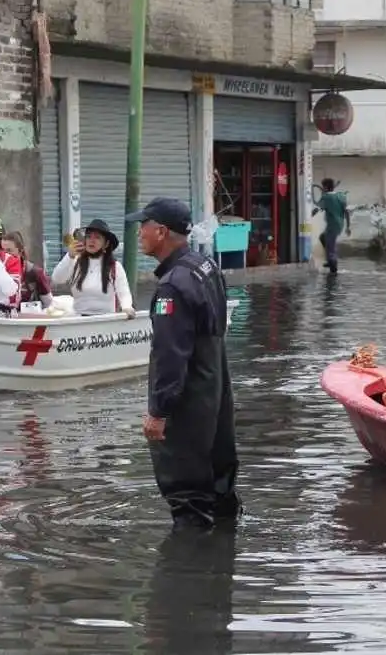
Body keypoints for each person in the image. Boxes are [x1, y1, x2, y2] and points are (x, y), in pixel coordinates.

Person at [125, 197, 240, 530]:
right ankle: (222, 565)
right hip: (216, 392)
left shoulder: (172, 286)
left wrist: (159, 412)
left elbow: (170, 355)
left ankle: (188, 574)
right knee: (219, 490)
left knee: (188, 496)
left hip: (189, 402)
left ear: (161, 232)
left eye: (143, 227)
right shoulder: (205, 266)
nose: (139, 234)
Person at [51, 218, 135, 317]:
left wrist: (127, 307)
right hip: (78, 320)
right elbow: (57, 279)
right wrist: (69, 256)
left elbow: (123, 291)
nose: (92, 241)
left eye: (97, 237)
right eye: (89, 237)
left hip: (105, 320)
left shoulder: (114, 266)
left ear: (106, 244)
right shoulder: (76, 261)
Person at [2, 231, 54, 307]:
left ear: (20, 251)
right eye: (3, 251)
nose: (6, 255)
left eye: (9, 251)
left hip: (28, 317)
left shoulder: (35, 272)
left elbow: (48, 303)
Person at [313, 178, 349, 274]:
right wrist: (348, 227)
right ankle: (330, 261)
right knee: (323, 237)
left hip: (332, 226)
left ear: (325, 187)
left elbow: (318, 206)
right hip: (339, 224)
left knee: (331, 247)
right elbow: (346, 211)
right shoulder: (340, 196)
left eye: (323, 187)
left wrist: (313, 213)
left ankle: (333, 269)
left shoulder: (326, 198)